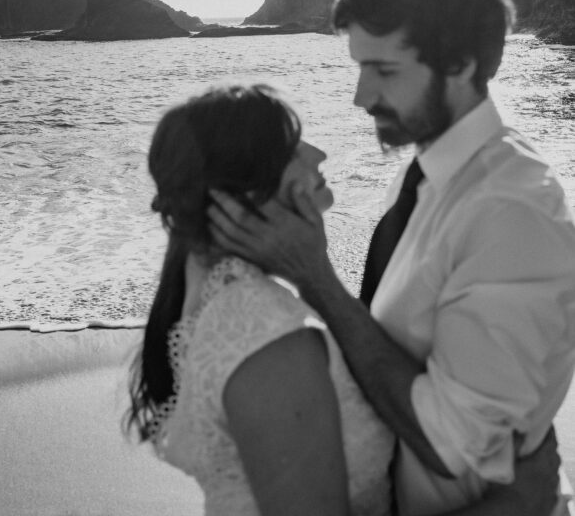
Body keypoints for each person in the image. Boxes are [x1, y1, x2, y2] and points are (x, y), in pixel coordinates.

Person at [208, 0, 575, 516]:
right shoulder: (427, 170)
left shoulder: (511, 211)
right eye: (360, 67)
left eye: (384, 70)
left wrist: (315, 278)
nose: (362, 98)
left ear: (461, 65)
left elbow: (452, 445)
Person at [127, 81, 561, 516]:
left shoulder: (229, 303)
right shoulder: (266, 338)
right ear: (239, 196)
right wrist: (515, 505)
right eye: (290, 147)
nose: (318, 154)